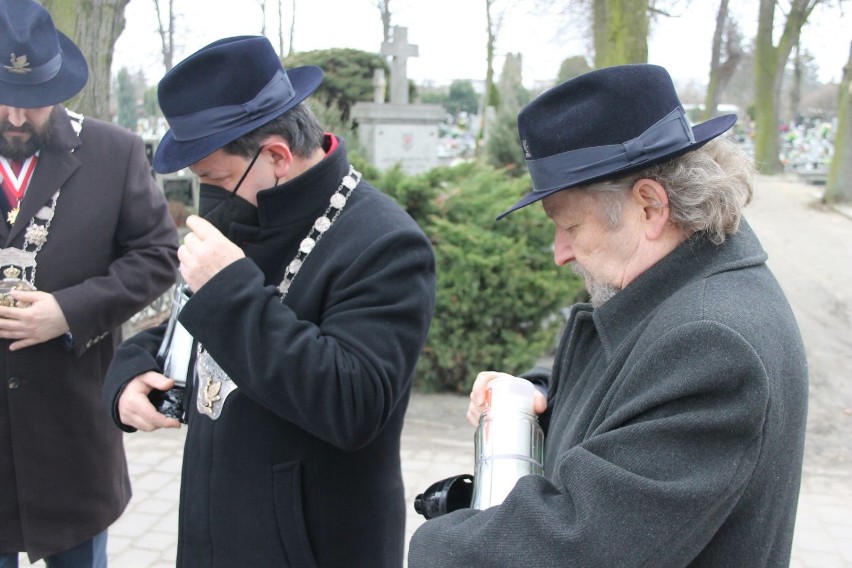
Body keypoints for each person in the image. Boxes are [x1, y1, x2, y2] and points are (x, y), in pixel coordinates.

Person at [408, 64, 808, 567]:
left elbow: (583, 544)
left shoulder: (713, 344)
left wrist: (440, 545)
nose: (560, 252)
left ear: (648, 206)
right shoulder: (685, 290)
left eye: (570, 225)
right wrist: (540, 398)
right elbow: (634, 398)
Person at [102, 36, 436, 567]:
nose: (207, 195)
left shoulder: (386, 242)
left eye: (214, 177)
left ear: (276, 156)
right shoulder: (241, 204)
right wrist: (132, 368)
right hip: (213, 528)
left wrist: (228, 290)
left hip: (313, 544)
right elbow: (192, 326)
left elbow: (354, 403)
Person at [0, 0, 180, 566]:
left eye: (31, 103)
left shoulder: (115, 151)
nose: (13, 117)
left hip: (71, 426)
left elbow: (157, 256)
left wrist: (69, 311)